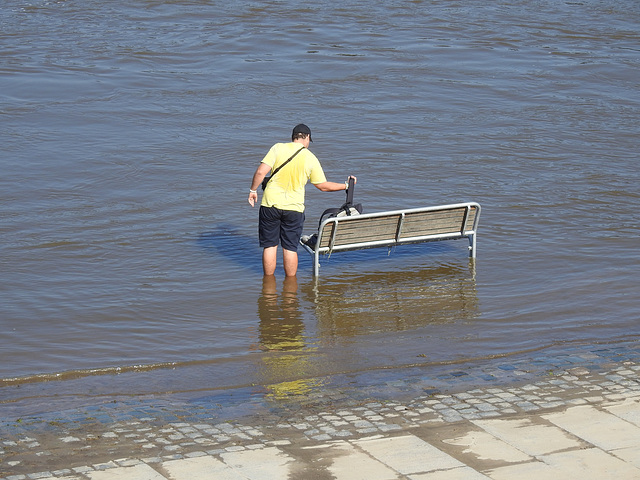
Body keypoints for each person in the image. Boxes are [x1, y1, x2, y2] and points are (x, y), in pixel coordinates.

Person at [248, 124, 356, 277]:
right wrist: (345, 185)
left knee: (270, 246)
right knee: (290, 248)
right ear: (306, 137)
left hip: (270, 204)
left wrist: (253, 190)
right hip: (294, 208)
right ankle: (290, 286)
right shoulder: (310, 157)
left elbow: (260, 171)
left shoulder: (277, 148)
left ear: (294, 136)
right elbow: (323, 186)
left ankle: (268, 286)